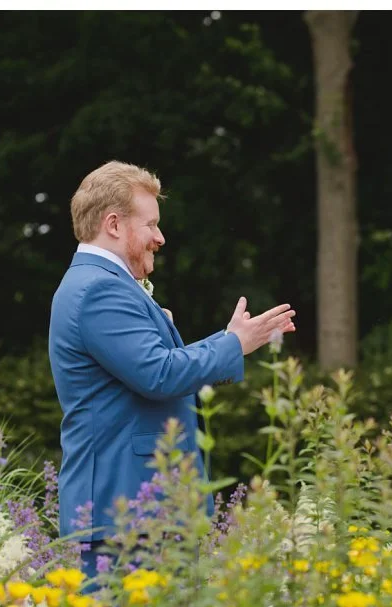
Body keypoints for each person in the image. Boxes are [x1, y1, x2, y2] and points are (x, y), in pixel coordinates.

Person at [49, 161, 296, 581]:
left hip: (140, 511)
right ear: (113, 224)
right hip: (126, 511)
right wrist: (235, 344)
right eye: (151, 225)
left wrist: (231, 340)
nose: (160, 238)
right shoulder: (99, 289)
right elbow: (160, 374)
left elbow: (156, 367)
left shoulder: (97, 283)